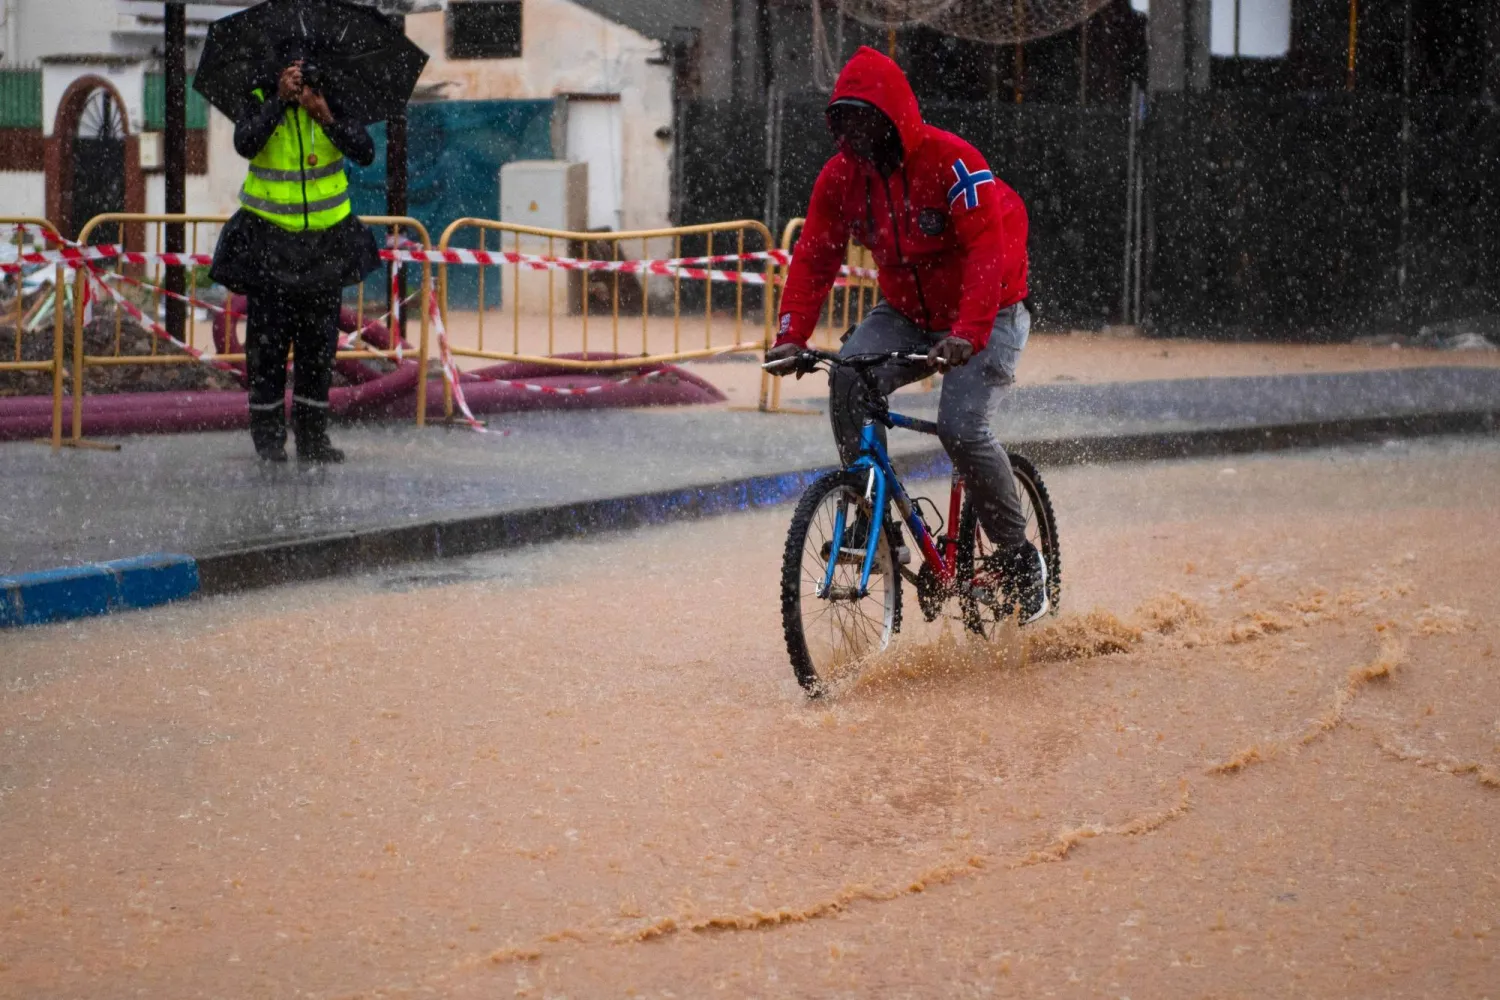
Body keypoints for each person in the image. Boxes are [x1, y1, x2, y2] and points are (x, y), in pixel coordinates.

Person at [765, 46, 1048, 624]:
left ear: (895, 118)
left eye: (866, 120)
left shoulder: (955, 164)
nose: (855, 135)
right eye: (844, 122)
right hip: (907, 313)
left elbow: (987, 253)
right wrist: (791, 336)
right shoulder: (841, 178)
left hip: (990, 312)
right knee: (847, 376)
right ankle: (873, 523)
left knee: (961, 427)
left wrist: (968, 333)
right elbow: (815, 256)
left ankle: (1021, 559)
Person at [210, 58, 380, 463]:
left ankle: (312, 439)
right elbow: (246, 143)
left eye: (305, 64)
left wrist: (323, 115)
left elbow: (365, 152)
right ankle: (269, 443)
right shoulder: (257, 96)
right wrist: (279, 101)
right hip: (269, 246)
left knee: (318, 351)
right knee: (266, 352)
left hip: (326, 245)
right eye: (291, 68)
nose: (300, 73)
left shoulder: (332, 97)